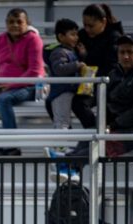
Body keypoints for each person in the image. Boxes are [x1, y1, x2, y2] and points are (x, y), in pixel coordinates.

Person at [0, 8, 44, 156]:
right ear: (6, 24)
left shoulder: (33, 39)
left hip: (29, 86)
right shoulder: (1, 39)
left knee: (4, 99)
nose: (15, 25)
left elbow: (35, 71)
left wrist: (9, 86)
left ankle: (12, 146)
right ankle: (0, 139)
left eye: (19, 22)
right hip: (3, 87)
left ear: (27, 23)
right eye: (11, 22)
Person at [43, 19, 87, 182]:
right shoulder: (59, 52)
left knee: (65, 124)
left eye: (76, 34)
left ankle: (63, 157)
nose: (76, 38)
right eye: (72, 34)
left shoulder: (70, 51)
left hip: (68, 92)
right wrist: (77, 64)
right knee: (61, 124)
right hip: (61, 92)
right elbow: (59, 69)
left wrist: (81, 56)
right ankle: (59, 157)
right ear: (61, 36)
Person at [71, 3, 124, 133]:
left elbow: (111, 66)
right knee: (77, 103)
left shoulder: (114, 37)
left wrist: (86, 58)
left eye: (91, 26)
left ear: (103, 22)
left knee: (107, 110)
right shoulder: (82, 36)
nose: (87, 29)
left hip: (109, 82)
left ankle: (98, 136)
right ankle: (94, 133)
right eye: (85, 25)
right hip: (89, 81)